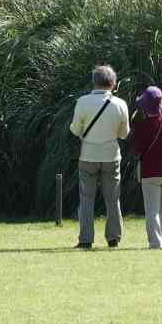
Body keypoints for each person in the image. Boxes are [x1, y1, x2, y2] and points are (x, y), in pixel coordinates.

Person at [69, 64, 129, 250]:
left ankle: (86, 239)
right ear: (113, 83)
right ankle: (113, 238)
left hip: (88, 156)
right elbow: (124, 134)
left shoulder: (82, 102)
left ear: (94, 82)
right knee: (112, 198)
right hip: (111, 156)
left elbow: (75, 129)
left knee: (86, 198)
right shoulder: (120, 104)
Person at [129, 85, 162, 249]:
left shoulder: (142, 125)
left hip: (151, 172)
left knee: (152, 210)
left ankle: (155, 243)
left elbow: (137, 148)